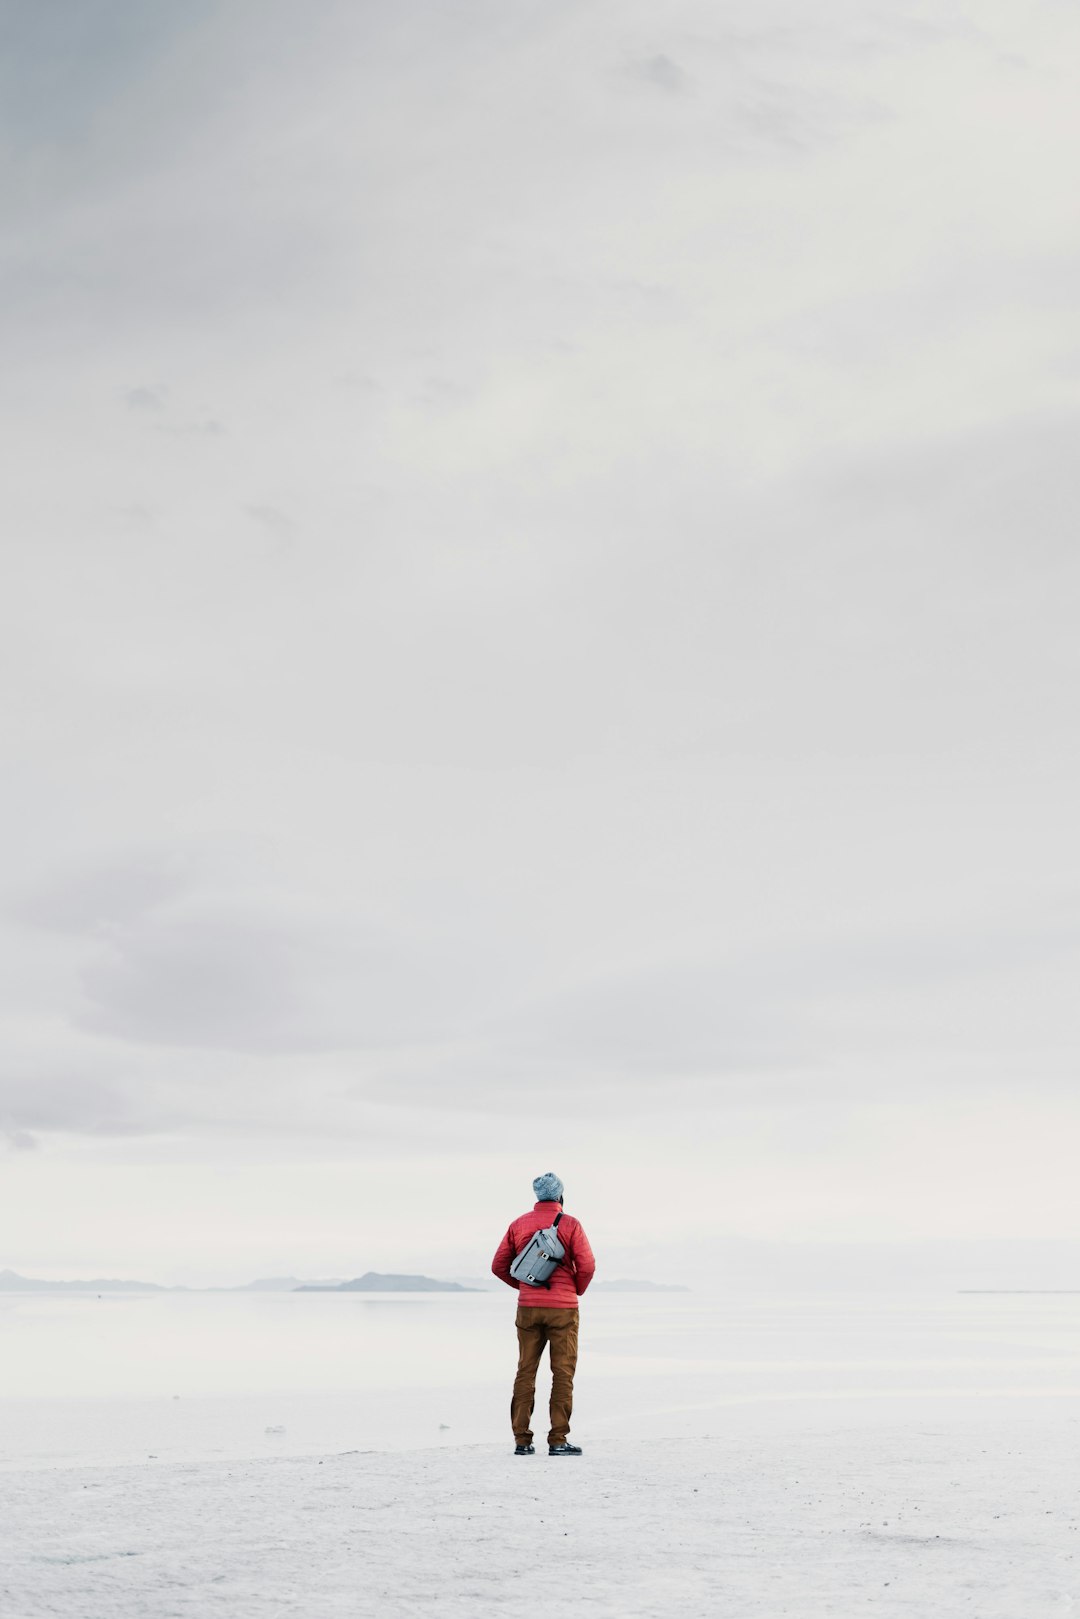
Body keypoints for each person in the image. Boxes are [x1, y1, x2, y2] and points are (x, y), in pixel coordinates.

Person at [491, 1171, 596, 1456]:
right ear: (560, 1195)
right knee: (562, 1373)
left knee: (525, 1371)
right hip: (563, 1310)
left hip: (527, 1308)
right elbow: (586, 1266)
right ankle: (558, 1440)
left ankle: (522, 1442)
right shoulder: (571, 1224)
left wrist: (526, 1285)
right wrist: (575, 1290)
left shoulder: (519, 1223)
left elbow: (499, 1265)